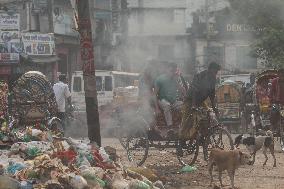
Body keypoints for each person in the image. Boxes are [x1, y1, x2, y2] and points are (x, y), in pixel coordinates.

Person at [180, 62, 221, 140]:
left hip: (201, 101)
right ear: (210, 69)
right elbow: (195, 91)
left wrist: (214, 107)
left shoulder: (213, 79)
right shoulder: (200, 76)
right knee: (186, 119)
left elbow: (212, 94)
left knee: (209, 115)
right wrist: (193, 105)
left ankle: (203, 134)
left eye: (216, 72)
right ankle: (181, 138)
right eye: (215, 71)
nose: (215, 73)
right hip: (190, 100)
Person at [154, 62, 184, 128]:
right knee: (167, 106)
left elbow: (183, 91)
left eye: (174, 71)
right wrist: (157, 108)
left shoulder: (176, 79)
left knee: (184, 106)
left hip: (173, 102)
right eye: (171, 71)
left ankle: (183, 126)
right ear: (167, 69)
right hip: (162, 100)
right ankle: (170, 126)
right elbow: (155, 95)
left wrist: (177, 80)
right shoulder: (160, 79)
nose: (173, 73)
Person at [270, 68, 284, 134]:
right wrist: (271, 101)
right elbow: (271, 92)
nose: (282, 76)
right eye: (280, 74)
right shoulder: (274, 81)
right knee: (273, 112)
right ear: (278, 74)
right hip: (277, 102)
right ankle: (274, 127)